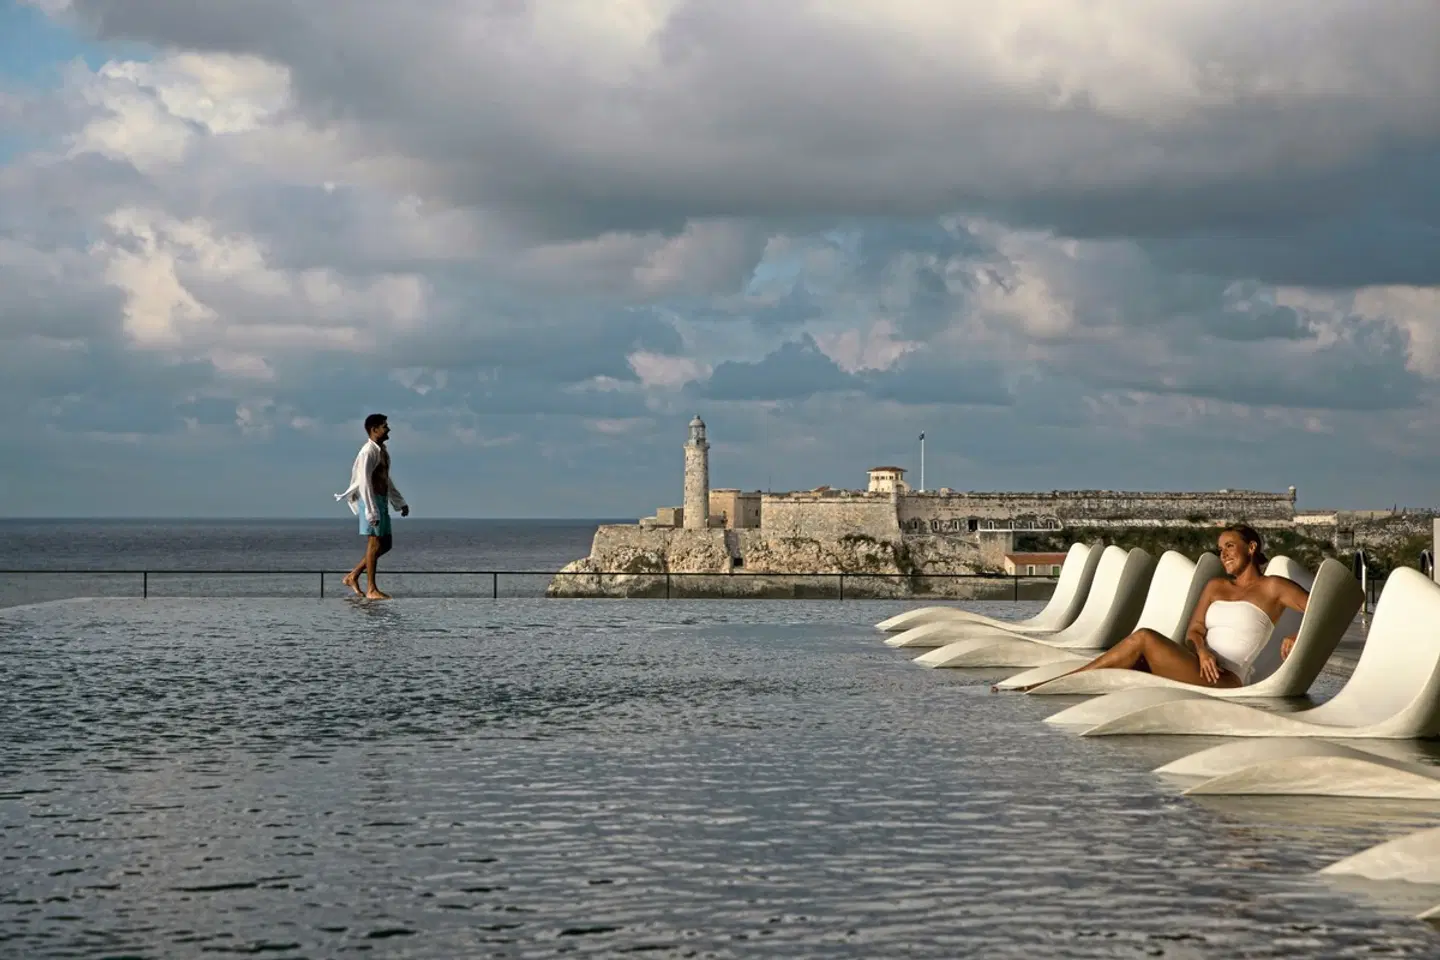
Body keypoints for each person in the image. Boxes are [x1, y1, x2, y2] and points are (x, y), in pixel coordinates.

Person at [1010, 525, 1309, 692]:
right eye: (1220, 550)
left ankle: (1060, 684)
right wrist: (1202, 649)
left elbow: (1320, 608)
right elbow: (1194, 630)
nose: (1224, 554)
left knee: (1144, 638)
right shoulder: (1216, 587)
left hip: (1226, 679)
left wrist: (1297, 635)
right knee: (1136, 661)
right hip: (1198, 663)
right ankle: (1068, 686)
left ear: (1252, 547)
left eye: (1230, 546)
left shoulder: (1273, 587)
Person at [335, 413, 410, 599]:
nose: (388, 429)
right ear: (374, 429)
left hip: (381, 500)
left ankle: (353, 575)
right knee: (374, 542)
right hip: (371, 500)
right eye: (385, 426)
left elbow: (385, 479)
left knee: (386, 544)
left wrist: (399, 502)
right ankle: (371, 589)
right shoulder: (367, 452)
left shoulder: (381, 450)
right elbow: (365, 482)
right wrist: (370, 511)